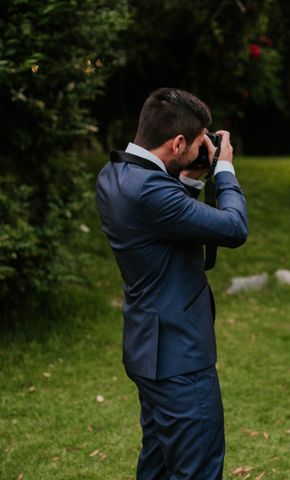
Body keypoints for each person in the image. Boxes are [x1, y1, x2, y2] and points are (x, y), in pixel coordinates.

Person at [96, 88, 248, 479]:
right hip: (180, 356)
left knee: (159, 466)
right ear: (178, 142)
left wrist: (192, 179)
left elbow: (166, 220)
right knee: (197, 468)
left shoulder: (114, 175)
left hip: (148, 348)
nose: (207, 147)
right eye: (200, 141)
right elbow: (234, 228)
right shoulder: (151, 190)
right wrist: (226, 170)